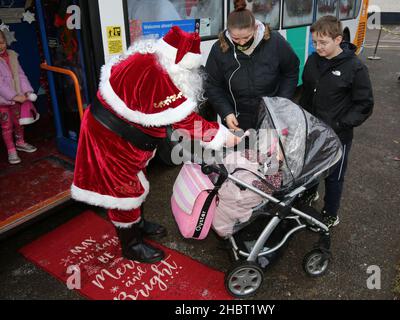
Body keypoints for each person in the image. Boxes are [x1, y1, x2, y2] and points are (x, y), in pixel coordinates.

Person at [71, 26, 241, 264]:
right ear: (178, 62)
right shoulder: (158, 74)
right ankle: (131, 245)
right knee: (125, 192)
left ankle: (137, 224)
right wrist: (223, 136)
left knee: (135, 181)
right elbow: (185, 120)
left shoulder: (154, 57)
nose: (193, 75)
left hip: (125, 134)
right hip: (111, 138)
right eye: (190, 69)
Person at [299, 16, 374, 228]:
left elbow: (364, 105)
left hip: (337, 135)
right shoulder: (313, 60)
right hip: (312, 130)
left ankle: (330, 213)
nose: (317, 47)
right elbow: (306, 92)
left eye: (323, 43)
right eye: (314, 42)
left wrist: (340, 124)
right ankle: (309, 194)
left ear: (338, 39)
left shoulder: (355, 68)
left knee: (333, 177)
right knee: (310, 168)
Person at [205, 0, 299, 132]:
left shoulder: (275, 41)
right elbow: (212, 85)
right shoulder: (219, 49)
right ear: (228, 32)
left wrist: (280, 104)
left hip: (271, 116)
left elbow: (291, 71)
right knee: (240, 153)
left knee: (269, 151)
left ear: (255, 29)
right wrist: (226, 112)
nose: (242, 43)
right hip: (237, 119)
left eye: (246, 37)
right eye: (236, 39)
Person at [0, 29, 38, 165]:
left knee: (19, 122)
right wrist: (14, 96)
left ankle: (20, 142)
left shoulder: (12, 55)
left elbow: (21, 75)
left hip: (17, 98)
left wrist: (27, 91)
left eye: (2, 42)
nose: (1, 46)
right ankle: (11, 150)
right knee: (7, 125)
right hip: (3, 102)